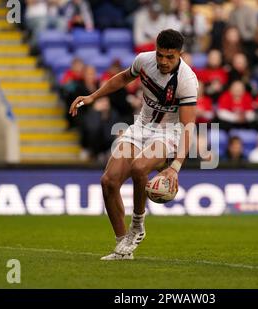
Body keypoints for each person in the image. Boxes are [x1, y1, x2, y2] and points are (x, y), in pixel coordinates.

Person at [69, 29, 198, 260]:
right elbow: (122, 78)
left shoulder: (186, 81)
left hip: (168, 132)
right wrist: (92, 97)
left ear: (180, 54)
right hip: (140, 127)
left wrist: (175, 167)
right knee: (108, 182)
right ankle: (122, 249)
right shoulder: (144, 61)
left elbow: (188, 126)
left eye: (170, 57)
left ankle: (138, 225)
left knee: (139, 167)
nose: (164, 61)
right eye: (160, 55)